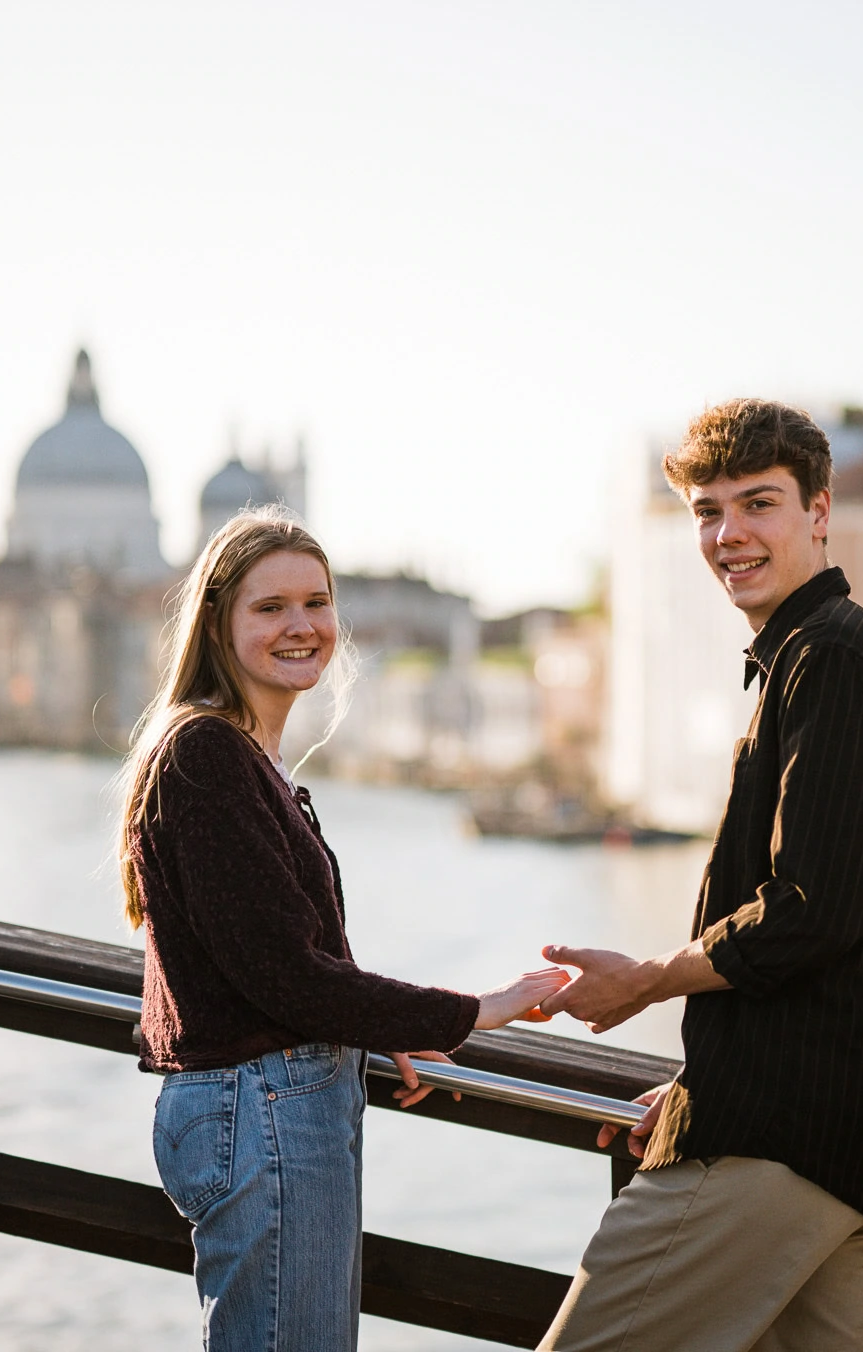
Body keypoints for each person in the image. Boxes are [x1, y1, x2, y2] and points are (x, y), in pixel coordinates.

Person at [537, 400, 863, 1351]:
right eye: (706, 512)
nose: (728, 535)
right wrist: (701, 1074)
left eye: (757, 504)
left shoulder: (834, 662)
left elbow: (808, 915)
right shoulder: (822, 659)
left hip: (781, 1143)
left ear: (819, 511)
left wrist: (644, 982)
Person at [119, 506, 566, 1352]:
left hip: (265, 1100)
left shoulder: (245, 758)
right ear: (217, 622)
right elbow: (284, 974)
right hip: (264, 1106)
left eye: (316, 603)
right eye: (271, 607)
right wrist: (474, 1011)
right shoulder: (206, 757)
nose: (303, 626)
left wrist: (370, 1031)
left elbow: (279, 959)